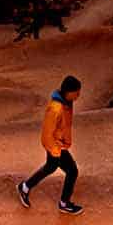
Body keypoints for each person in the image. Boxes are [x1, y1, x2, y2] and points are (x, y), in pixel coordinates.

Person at [17, 75, 83, 213]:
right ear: (69, 92)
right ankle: (64, 204)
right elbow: (47, 134)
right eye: (77, 92)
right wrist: (55, 151)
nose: (78, 95)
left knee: (51, 167)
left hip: (59, 144)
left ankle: (25, 187)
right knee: (72, 171)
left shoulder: (66, 103)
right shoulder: (55, 109)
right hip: (55, 145)